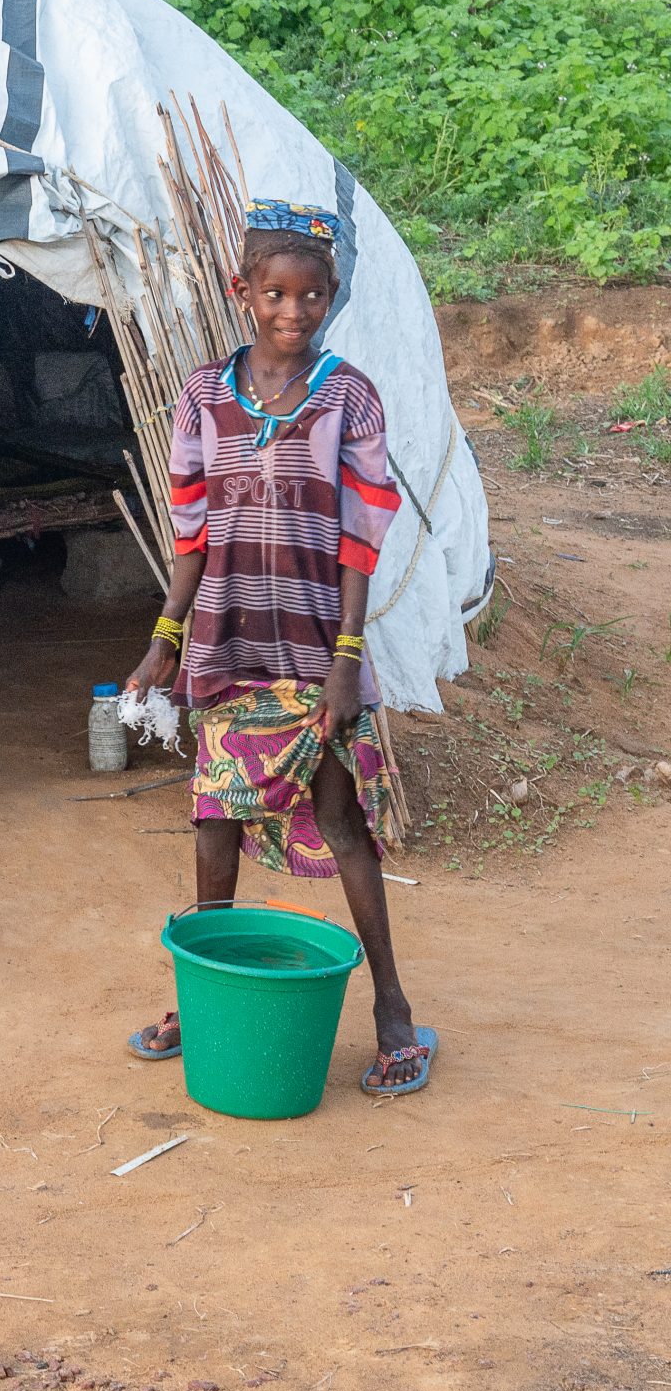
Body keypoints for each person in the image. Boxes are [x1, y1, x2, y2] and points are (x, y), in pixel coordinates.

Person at [121, 200, 434, 1095]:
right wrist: (164, 642)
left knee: (342, 823)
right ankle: (204, 996)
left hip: (312, 654)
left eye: (311, 294)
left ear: (332, 296)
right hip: (228, 645)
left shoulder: (349, 397)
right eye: (275, 293)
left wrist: (345, 657)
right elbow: (193, 534)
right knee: (213, 821)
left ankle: (393, 1012)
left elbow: (360, 543)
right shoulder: (201, 398)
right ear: (242, 292)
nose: (293, 311)